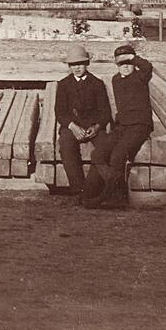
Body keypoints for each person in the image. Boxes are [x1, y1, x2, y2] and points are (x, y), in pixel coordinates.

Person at [86, 41, 156, 209]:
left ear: (133, 63)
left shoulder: (140, 76)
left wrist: (133, 57)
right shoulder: (116, 80)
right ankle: (116, 188)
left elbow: (147, 67)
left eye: (128, 63)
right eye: (121, 63)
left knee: (117, 155)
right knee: (98, 154)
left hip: (140, 125)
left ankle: (110, 196)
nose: (125, 66)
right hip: (122, 126)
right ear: (116, 65)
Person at [54, 44, 112, 206]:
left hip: (93, 127)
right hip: (72, 126)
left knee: (105, 148)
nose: (77, 68)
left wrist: (97, 127)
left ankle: (90, 189)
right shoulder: (64, 84)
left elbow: (105, 112)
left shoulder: (97, 84)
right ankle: (77, 189)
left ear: (87, 63)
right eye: (73, 64)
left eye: (80, 63)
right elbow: (60, 112)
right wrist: (72, 126)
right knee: (66, 145)